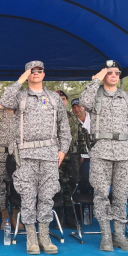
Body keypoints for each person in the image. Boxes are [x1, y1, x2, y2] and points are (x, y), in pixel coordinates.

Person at [0, 61, 71, 255]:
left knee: (47, 197)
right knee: (28, 197)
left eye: (39, 70)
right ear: (27, 74)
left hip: (49, 155)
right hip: (26, 156)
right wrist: (20, 80)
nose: (36, 73)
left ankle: (45, 236)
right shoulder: (20, 97)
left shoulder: (54, 99)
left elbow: (64, 128)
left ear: (44, 74)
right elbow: (5, 101)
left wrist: (63, 150)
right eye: (32, 71)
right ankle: (31, 237)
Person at [80, 60, 128, 252]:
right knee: (101, 194)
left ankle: (119, 236)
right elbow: (83, 102)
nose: (114, 76)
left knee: (121, 195)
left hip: (123, 151)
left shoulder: (125, 97)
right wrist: (95, 80)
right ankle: (106, 236)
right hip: (101, 150)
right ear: (104, 75)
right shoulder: (95, 94)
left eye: (117, 73)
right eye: (109, 73)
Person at [55, 91, 84, 230]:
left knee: (71, 188)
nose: (61, 101)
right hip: (57, 159)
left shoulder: (73, 117)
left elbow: (80, 137)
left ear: (66, 101)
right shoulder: (50, 117)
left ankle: (71, 219)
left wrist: (82, 155)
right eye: (58, 99)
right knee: (57, 188)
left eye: (63, 99)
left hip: (72, 158)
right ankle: (58, 219)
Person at [0, 104, 22, 230]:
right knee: (2, 186)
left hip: (18, 155)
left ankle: (16, 215)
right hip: (1, 154)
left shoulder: (21, 112)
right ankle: (5, 216)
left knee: (19, 186)